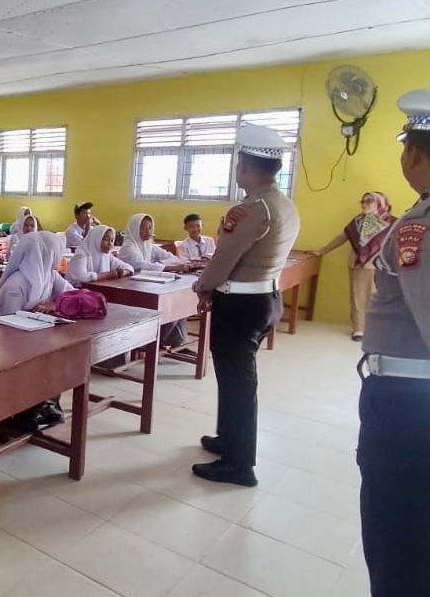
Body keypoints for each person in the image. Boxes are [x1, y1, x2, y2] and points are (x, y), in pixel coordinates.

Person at [322, 90, 430, 597]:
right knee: (410, 526)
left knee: (394, 525)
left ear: (414, 155)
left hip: (408, 403)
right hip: (413, 398)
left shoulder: (418, 225)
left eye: (408, 147)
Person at [191, 123, 300, 487]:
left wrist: (203, 286)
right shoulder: (284, 204)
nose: (237, 171)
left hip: (240, 303)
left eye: (239, 164)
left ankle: (239, 465)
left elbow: (225, 257)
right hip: (263, 297)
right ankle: (228, 439)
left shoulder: (252, 208)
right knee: (236, 377)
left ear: (246, 168)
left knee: (238, 381)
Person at [0, 231, 72, 428]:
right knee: (38, 361)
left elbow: (72, 294)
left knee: (58, 356)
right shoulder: (17, 284)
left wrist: (53, 304)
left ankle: (44, 406)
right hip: (3, 340)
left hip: (33, 335)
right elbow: (10, 325)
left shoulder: (49, 274)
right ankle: (25, 413)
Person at [310, 192, 396, 341]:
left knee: (378, 298)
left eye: (369, 201)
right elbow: (341, 237)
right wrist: (323, 251)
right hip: (357, 264)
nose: (364, 204)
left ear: (380, 203)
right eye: (362, 201)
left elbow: (397, 244)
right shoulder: (357, 221)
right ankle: (359, 329)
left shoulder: (391, 223)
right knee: (358, 297)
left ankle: (376, 329)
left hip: (380, 265)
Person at [118, 213, 193, 348]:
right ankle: (154, 341)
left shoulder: (148, 244)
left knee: (177, 304)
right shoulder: (129, 246)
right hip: (132, 290)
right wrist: (171, 267)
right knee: (168, 307)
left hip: (146, 285)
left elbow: (167, 255)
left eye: (150, 227)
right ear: (134, 228)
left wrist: (184, 263)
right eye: (143, 228)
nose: (148, 231)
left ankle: (173, 341)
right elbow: (141, 265)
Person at [65, 225, 134, 284]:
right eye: (106, 240)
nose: (110, 244)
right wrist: (108, 274)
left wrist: (123, 272)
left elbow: (129, 267)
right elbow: (81, 276)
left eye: (112, 240)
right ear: (96, 239)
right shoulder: (82, 254)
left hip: (96, 290)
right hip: (77, 292)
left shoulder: (107, 256)